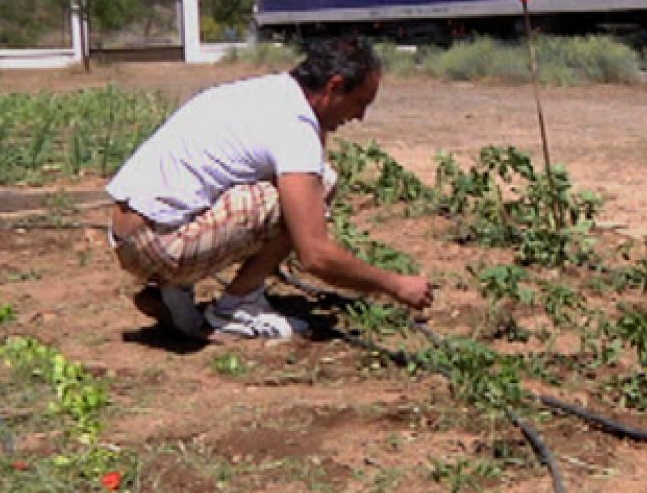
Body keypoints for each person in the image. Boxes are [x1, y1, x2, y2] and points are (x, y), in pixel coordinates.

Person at [106, 35, 434, 339]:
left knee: (301, 182)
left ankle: (174, 290)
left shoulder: (269, 92)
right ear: (334, 87)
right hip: (161, 245)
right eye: (360, 103)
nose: (360, 116)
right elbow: (315, 256)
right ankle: (236, 306)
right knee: (311, 189)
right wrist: (396, 285)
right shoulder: (293, 127)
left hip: (129, 236)